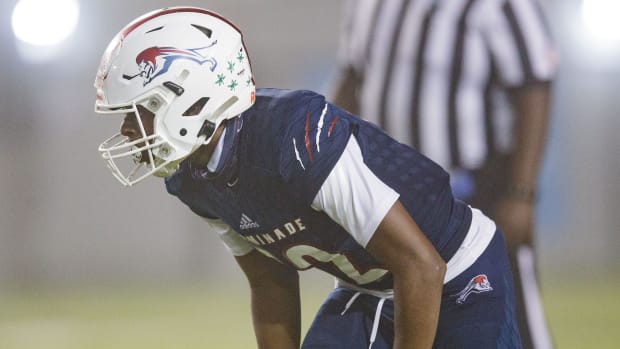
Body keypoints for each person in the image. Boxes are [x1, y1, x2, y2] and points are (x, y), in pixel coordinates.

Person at [94, 7, 522, 348]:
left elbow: (421, 266)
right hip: (372, 286)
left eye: (139, 110)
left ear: (189, 95)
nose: (129, 131)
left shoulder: (291, 136)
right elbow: (269, 280)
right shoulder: (191, 179)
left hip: (457, 270)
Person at [331, 1, 558, 348]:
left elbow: (535, 85)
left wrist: (521, 192)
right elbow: (352, 80)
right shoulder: (372, 5)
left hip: (473, 195)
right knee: (381, 322)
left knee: (511, 322)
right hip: (386, 198)